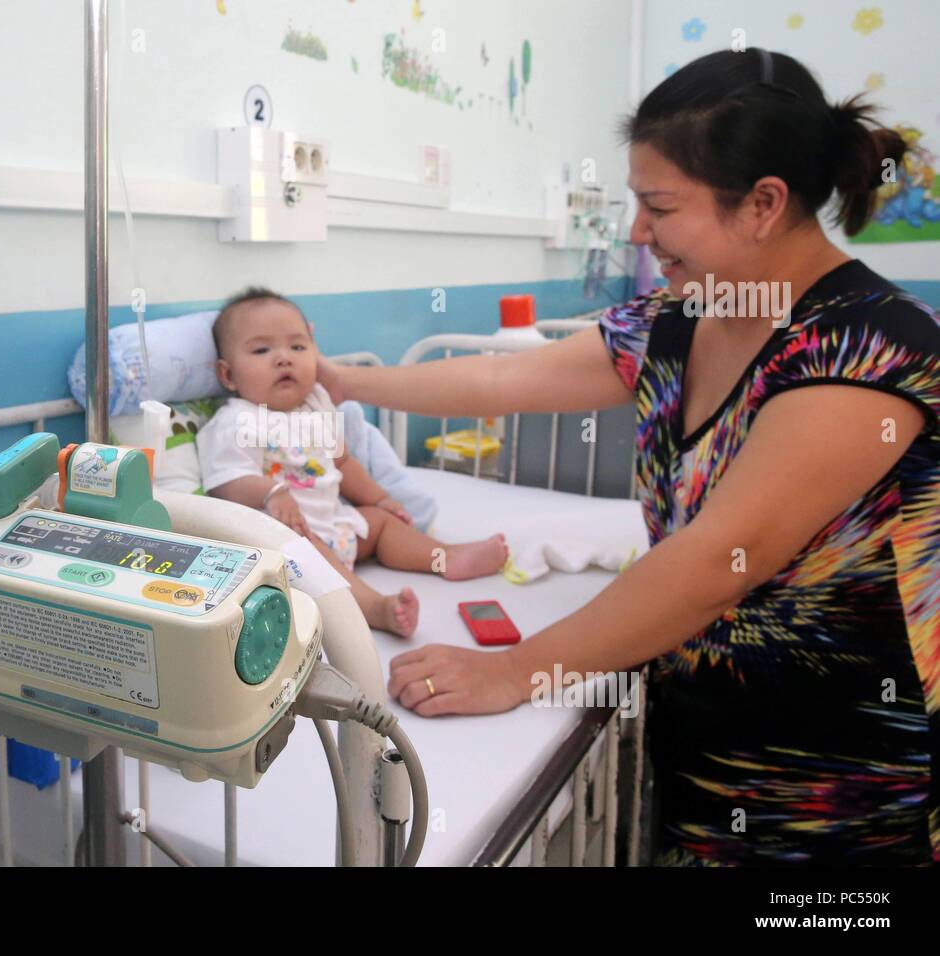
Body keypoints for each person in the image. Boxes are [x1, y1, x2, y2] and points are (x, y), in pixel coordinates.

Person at [317, 49, 940, 865]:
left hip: (839, 778)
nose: (637, 232)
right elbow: (502, 377)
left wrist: (521, 671)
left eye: (658, 206)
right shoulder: (681, 318)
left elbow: (716, 560)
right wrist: (337, 379)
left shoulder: (869, 351)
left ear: (763, 203)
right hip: (703, 736)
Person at [196, 288, 510, 638]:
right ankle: (377, 608)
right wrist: (272, 492)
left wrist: (378, 499)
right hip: (289, 544)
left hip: (337, 528)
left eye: (297, 347)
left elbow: (342, 463)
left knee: (382, 524)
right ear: (227, 375)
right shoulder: (237, 421)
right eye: (262, 350)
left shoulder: (316, 403)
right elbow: (227, 482)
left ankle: (445, 556)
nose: (283, 358)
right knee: (310, 554)